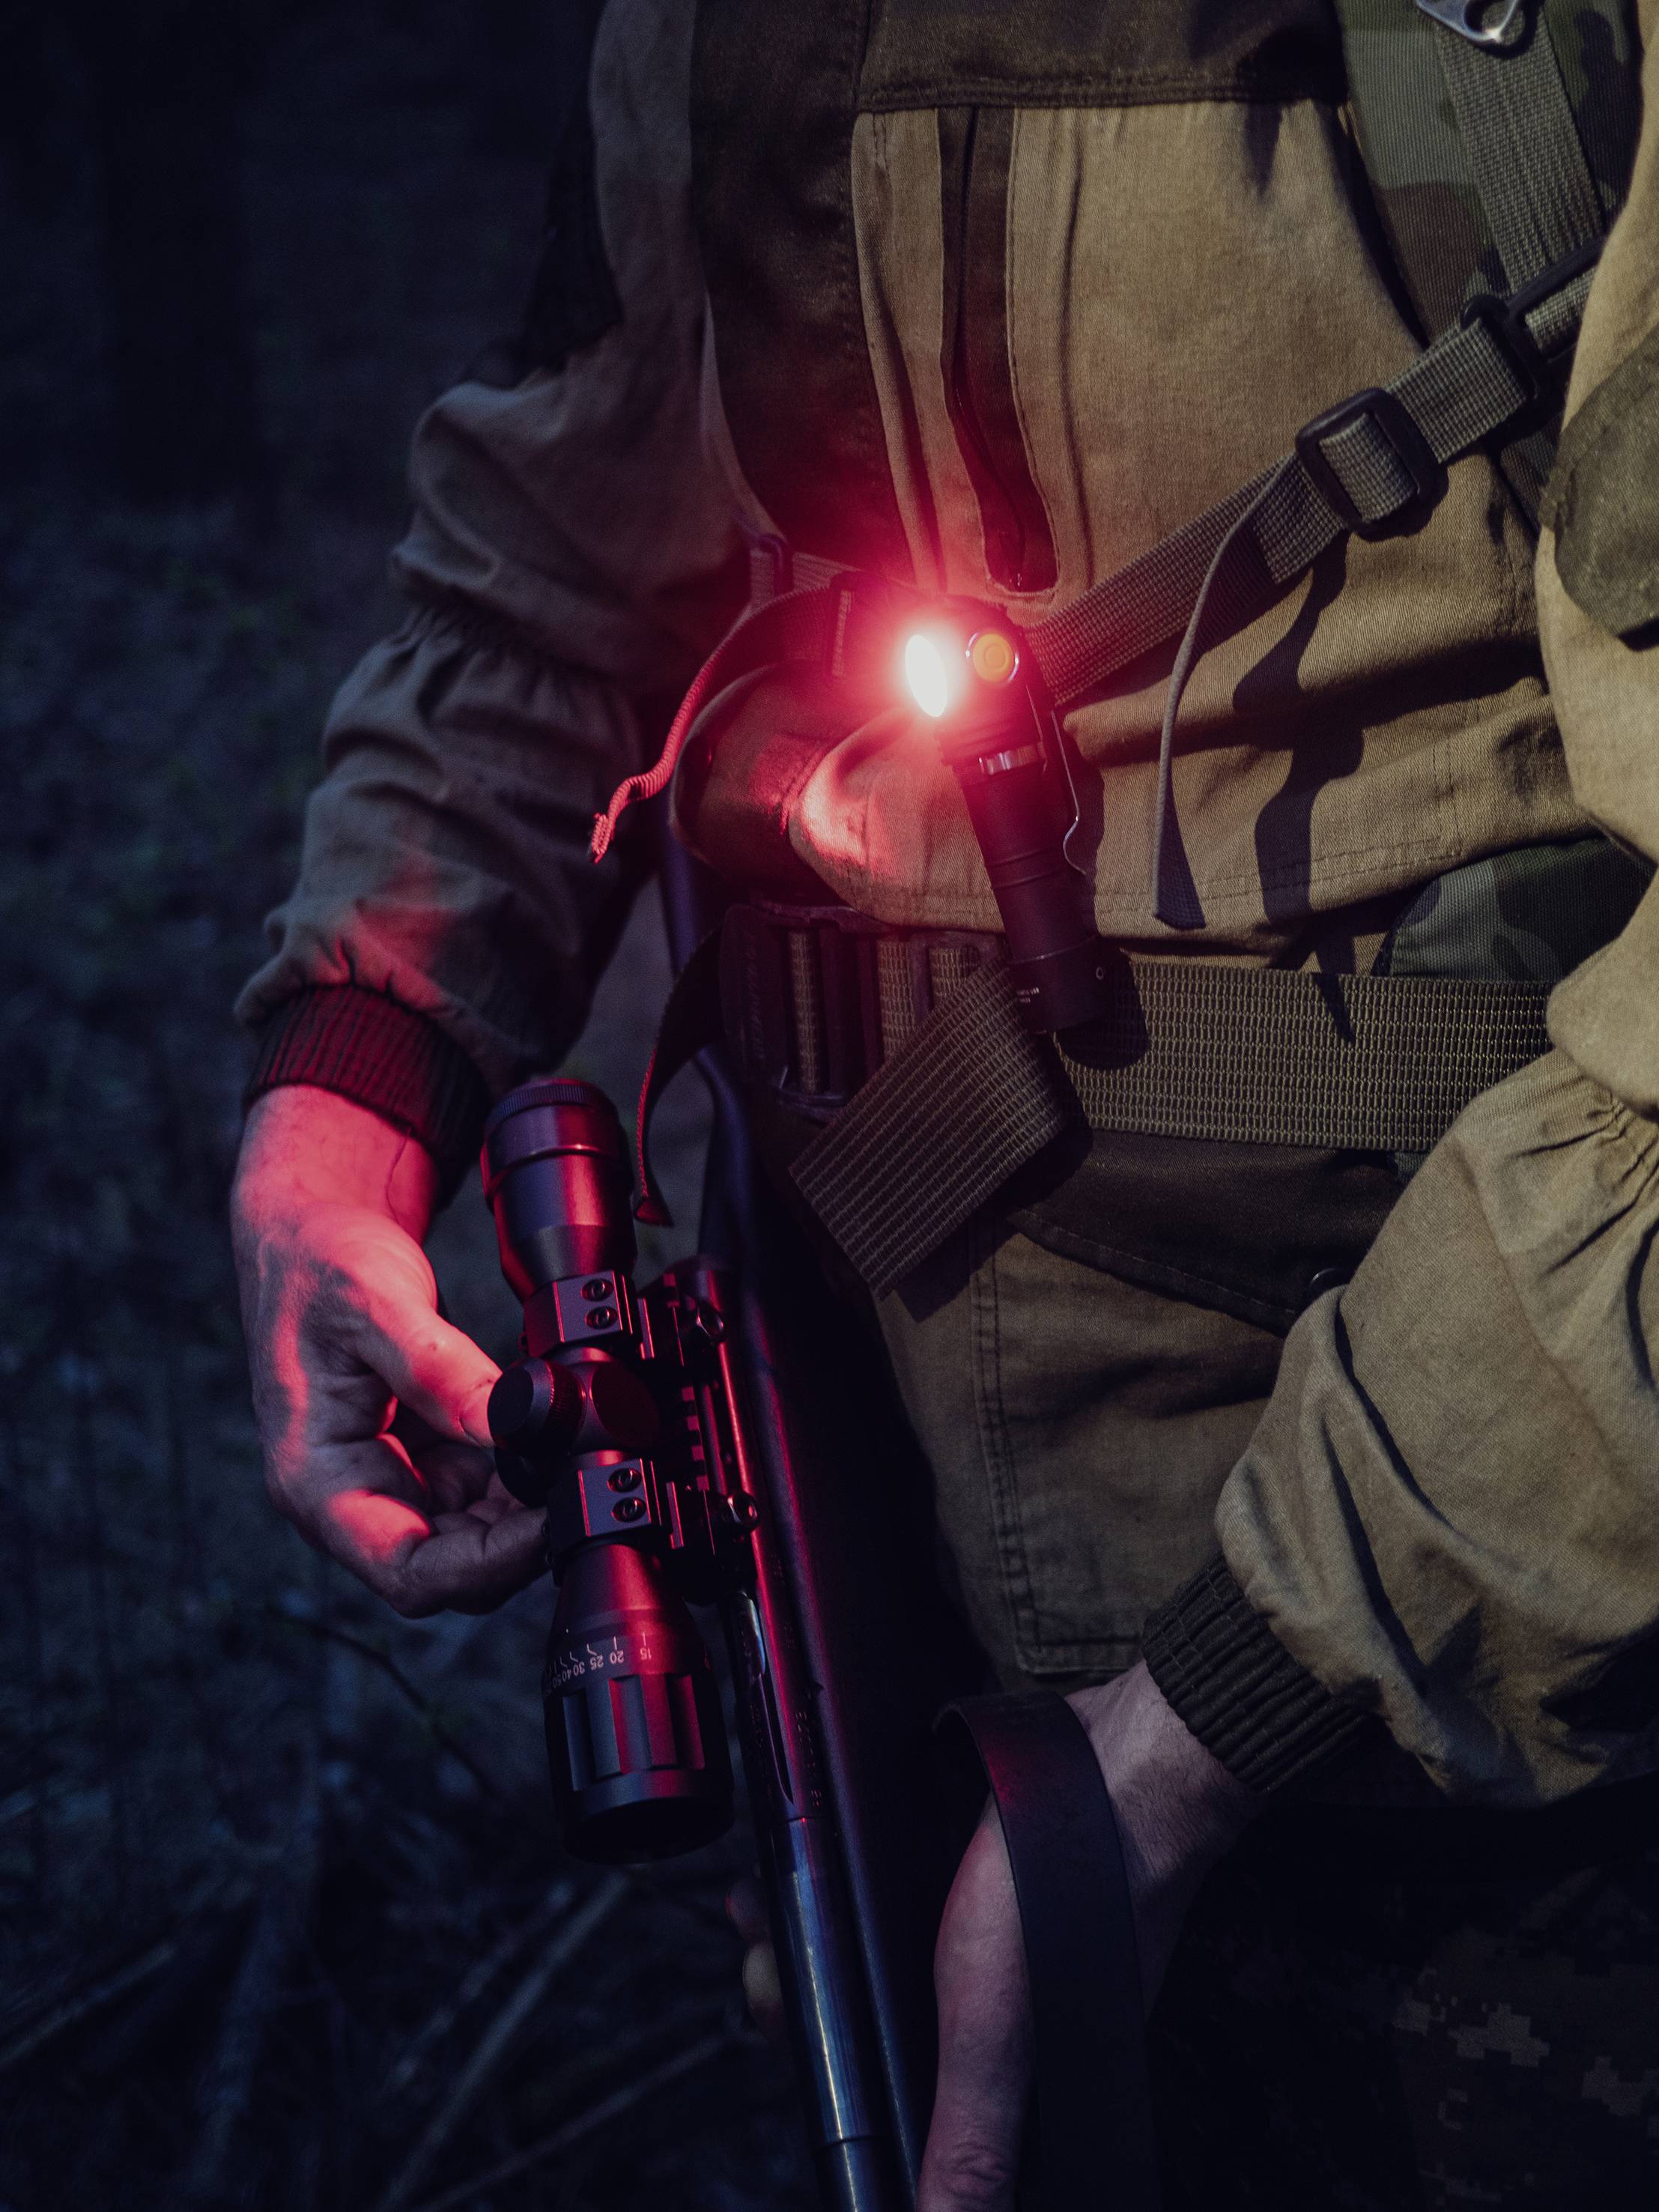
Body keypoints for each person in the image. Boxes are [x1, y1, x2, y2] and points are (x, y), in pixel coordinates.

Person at [231, 0, 1659, 2201]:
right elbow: (566, 524)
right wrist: (361, 1075)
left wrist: (1192, 1745)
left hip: (1504, 1674)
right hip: (872, 1586)